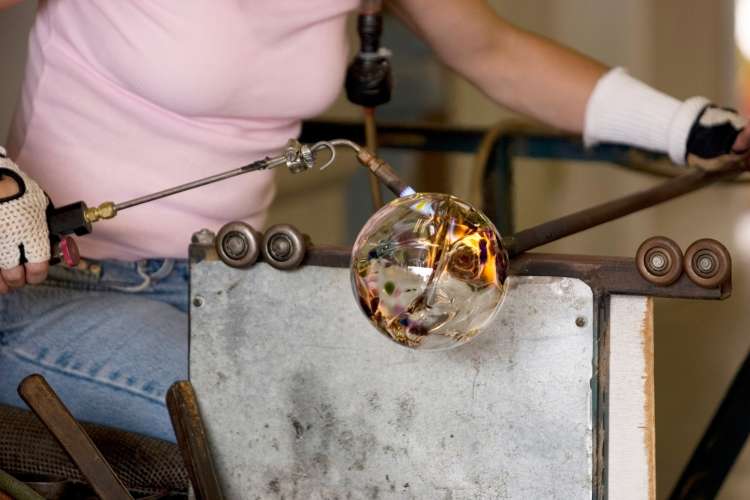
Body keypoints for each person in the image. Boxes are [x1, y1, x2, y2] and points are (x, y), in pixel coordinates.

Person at [0, 0, 747, 442]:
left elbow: (495, 52)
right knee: (291, 419)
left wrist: (686, 125)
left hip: (224, 288)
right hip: (55, 288)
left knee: (445, 396)